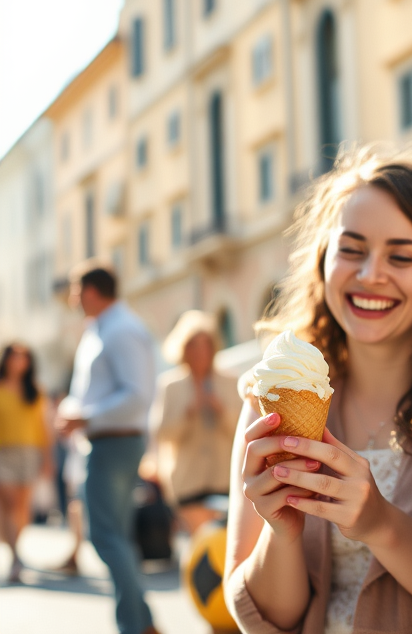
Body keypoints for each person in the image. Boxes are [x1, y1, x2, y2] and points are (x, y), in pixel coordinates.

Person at [223, 145, 412, 634]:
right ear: (322, 260)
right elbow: (267, 618)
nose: (369, 275)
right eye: (351, 250)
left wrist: (380, 524)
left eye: (401, 256)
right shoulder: (270, 393)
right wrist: (283, 533)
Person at [55, 263, 160, 634]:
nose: (72, 299)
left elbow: (137, 395)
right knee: (116, 536)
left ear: (92, 292)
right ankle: (142, 622)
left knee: (105, 536)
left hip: (113, 443)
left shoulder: (121, 330)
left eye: (76, 291)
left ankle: (133, 625)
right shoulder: (104, 328)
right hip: (106, 441)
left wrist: (83, 417)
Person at [151, 310, 242, 535]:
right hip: (188, 478)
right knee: (200, 542)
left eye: (205, 345)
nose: (200, 351)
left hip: (225, 477)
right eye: (194, 345)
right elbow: (161, 433)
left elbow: (243, 430)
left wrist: (222, 410)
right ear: (183, 349)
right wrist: (188, 414)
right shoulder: (170, 385)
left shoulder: (231, 381)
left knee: (223, 543)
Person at [0, 343, 51, 583]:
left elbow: (44, 427)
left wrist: (47, 458)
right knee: (9, 504)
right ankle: (15, 557)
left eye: (23, 357)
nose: (19, 362)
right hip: (4, 452)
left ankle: (14, 547)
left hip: (30, 453)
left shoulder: (35, 391)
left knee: (22, 509)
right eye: (15, 357)